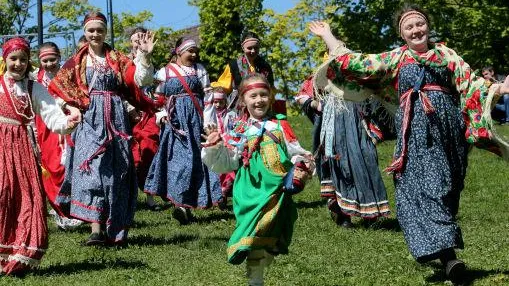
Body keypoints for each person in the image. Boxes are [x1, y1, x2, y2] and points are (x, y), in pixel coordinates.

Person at [309, 4, 509, 284]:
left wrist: (499, 88)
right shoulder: (396, 58)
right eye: (409, 27)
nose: (416, 30)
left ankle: (437, 247)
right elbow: (358, 64)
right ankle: (449, 257)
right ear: (402, 34)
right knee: (420, 187)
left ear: (428, 27)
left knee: (447, 187)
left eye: (420, 24)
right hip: (413, 129)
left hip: (447, 128)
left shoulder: (446, 54)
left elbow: (470, 83)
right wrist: (328, 36)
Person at [49, 11, 157, 246]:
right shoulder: (76, 62)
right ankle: (95, 229)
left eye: (99, 30)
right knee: (91, 170)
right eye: (91, 30)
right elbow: (58, 89)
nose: (95, 34)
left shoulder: (117, 58)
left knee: (117, 172)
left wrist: (145, 57)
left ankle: (115, 227)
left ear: (105, 32)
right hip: (89, 120)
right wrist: (70, 108)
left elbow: (140, 81)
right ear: (85, 32)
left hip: (116, 120)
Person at [202, 73, 314, 286]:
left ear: (270, 97)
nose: (259, 100)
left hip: (277, 192)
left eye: (263, 95)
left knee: (271, 239)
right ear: (243, 100)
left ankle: (259, 269)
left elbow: (296, 151)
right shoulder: (240, 129)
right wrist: (215, 145)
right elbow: (229, 162)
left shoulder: (280, 126)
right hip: (250, 192)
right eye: (253, 96)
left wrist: (302, 163)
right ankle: (255, 280)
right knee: (252, 238)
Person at [0, 37, 80, 275]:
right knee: (3, 194)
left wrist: (68, 122)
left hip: (23, 148)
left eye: (23, 59)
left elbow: (51, 114)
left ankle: (19, 255)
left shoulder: (34, 88)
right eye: (13, 59)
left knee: (26, 196)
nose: (18, 64)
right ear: (5, 60)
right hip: (1, 147)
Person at [144, 37, 222, 225]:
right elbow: (156, 98)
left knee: (194, 162)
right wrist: (161, 114)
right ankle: (180, 206)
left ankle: (185, 206)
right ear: (179, 52)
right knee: (179, 164)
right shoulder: (165, 73)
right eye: (190, 51)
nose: (194, 55)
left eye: (196, 51)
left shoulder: (200, 70)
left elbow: (208, 96)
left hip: (195, 122)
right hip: (174, 124)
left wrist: (208, 123)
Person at [296, 73, 389, 228]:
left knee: (364, 165)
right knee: (337, 168)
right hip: (331, 129)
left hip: (358, 127)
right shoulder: (320, 75)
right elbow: (301, 96)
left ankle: (370, 215)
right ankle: (342, 216)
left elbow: (378, 93)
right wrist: (315, 105)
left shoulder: (358, 72)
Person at [33, 42, 83, 230]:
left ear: (59, 57)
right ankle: (60, 210)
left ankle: (73, 209)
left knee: (69, 167)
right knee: (51, 167)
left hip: (69, 125)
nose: (49, 64)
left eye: (52, 59)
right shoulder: (36, 80)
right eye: (44, 61)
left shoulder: (68, 77)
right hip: (46, 129)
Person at [127, 26, 162, 211]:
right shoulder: (123, 62)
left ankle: (150, 197)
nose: (139, 42)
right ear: (130, 43)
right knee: (131, 156)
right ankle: (128, 196)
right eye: (136, 40)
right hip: (127, 115)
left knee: (149, 150)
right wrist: (129, 109)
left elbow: (143, 81)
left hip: (146, 114)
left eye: (142, 38)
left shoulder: (147, 61)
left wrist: (145, 56)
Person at [211, 31, 286, 115]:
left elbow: (270, 88)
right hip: (239, 107)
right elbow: (224, 85)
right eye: (249, 48)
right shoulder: (234, 65)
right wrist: (210, 87)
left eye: (256, 48)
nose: (253, 51)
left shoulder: (265, 66)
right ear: (243, 48)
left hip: (261, 107)